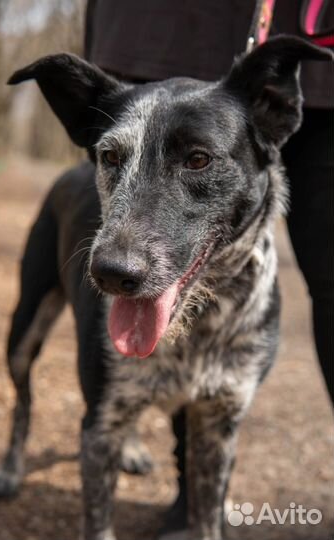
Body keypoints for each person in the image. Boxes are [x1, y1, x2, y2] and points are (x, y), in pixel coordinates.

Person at [83, 0, 333, 533]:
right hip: (155, 28)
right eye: (111, 159)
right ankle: (189, 505)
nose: (120, 258)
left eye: (197, 162)